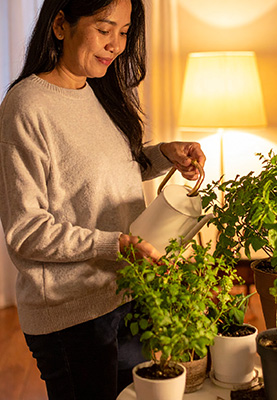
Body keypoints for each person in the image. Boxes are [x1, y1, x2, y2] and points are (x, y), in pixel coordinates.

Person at [0, 0, 206, 398]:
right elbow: (26, 230)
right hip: (71, 314)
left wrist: (165, 153)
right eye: (104, 28)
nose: (116, 45)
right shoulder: (25, 107)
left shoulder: (97, 92)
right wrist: (114, 244)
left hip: (125, 292)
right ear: (60, 25)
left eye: (125, 32)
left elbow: (104, 172)